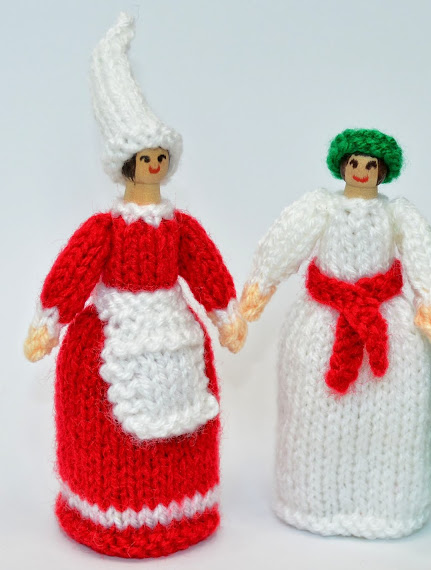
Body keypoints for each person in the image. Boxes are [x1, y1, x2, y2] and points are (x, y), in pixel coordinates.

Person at [23, 13, 246, 558]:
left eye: (160, 157)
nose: (153, 165)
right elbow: (72, 273)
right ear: (125, 165)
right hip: (112, 334)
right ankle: (106, 506)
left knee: (186, 425)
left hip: (174, 328)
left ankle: (183, 502)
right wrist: (48, 322)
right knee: (105, 420)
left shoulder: (179, 228)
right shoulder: (104, 229)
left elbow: (205, 269)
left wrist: (226, 314)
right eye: (144, 158)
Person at [240, 128, 431, 538]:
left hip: (386, 326)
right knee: (315, 417)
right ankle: (309, 496)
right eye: (355, 163)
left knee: (391, 423)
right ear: (342, 166)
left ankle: (391, 501)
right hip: (323, 323)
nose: (362, 171)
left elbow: (422, 253)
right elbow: (286, 241)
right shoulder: (321, 208)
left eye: (371, 165)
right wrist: (260, 286)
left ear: (383, 173)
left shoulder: (398, 215)